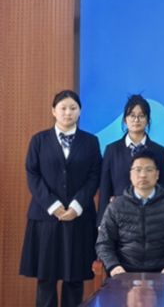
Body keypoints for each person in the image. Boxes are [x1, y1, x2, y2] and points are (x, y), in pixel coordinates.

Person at [19, 90, 102, 307]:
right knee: (46, 279)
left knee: (74, 279)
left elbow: (95, 176)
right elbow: (33, 174)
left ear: (80, 112)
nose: (68, 113)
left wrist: (76, 206)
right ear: (53, 111)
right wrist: (53, 205)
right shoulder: (39, 140)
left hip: (79, 218)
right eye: (63, 108)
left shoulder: (91, 142)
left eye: (73, 108)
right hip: (45, 218)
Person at [96, 150, 164, 275]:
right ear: (130, 175)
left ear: (157, 174)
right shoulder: (116, 206)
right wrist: (114, 267)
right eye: (138, 170)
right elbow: (104, 243)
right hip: (125, 272)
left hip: (162, 272)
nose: (143, 175)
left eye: (149, 170)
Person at [98, 94, 164, 224]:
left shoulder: (160, 152)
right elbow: (105, 189)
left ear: (148, 120)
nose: (136, 120)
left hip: (151, 219)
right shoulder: (112, 150)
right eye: (132, 115)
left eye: (141, 116)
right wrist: (102, 223)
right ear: (125, 119)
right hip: (118, 218)